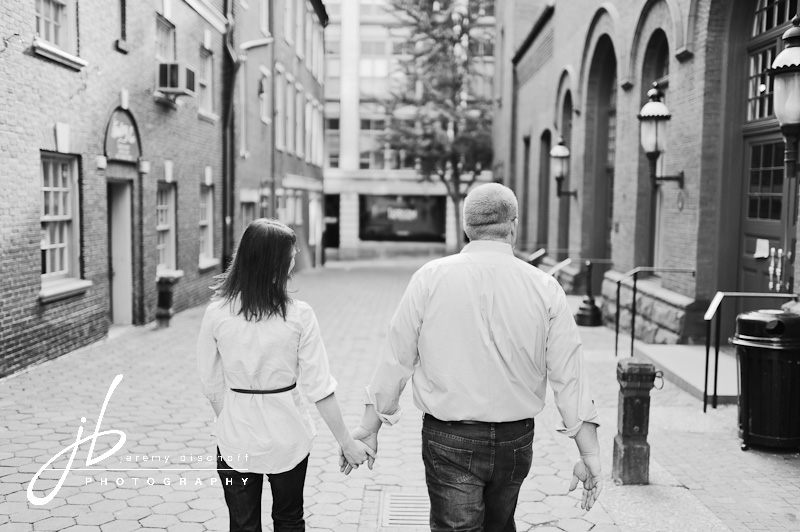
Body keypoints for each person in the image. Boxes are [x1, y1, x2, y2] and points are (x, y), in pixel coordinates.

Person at [343, 183, 602, 531]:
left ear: (467, 227)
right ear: (513, 225)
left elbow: (397, 358)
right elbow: (570, 375)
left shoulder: (430, 279)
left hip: (449, 438)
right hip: (515, 439)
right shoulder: (545, 287)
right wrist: (588, 453)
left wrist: (370, 427)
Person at [197, 218, 373, 532]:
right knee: (289, 519)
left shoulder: (216, 313)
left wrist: (232, 416)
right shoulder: (299, 315)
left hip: (236, 435)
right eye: (290, 254)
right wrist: (346, 442)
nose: (294, 259)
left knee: (242, 524)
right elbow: (320, 387)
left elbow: (210, 384)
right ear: (274, 261)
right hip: (288, 432)